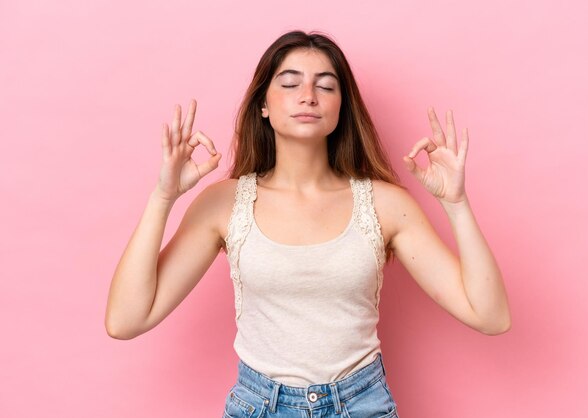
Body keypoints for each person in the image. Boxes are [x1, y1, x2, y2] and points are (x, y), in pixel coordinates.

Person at [105, 30, 511, 417]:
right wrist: (163, 198)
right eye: (290, 83)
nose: (308, 96)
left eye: (326, 86)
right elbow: (126, 320)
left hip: (362, 406)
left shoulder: (386, 205)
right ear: (263, 104)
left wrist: (455, 204)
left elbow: (490, 316)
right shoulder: (223, 204)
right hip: (259, 406)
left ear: (340, 106)